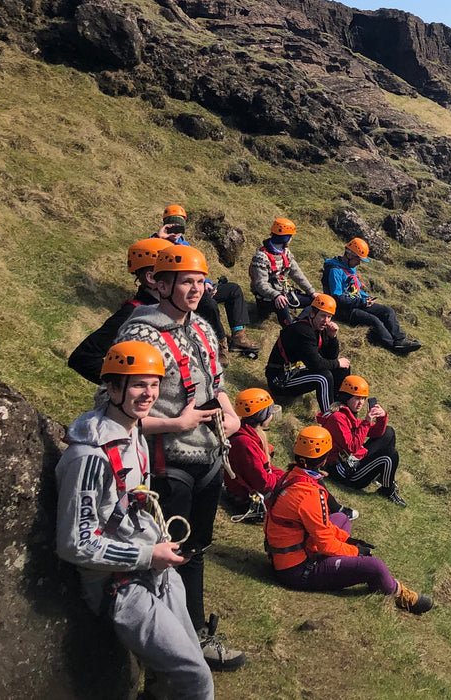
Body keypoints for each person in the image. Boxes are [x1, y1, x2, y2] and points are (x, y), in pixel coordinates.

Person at [55, 340, 214, 700]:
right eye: (138, 385)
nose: (149, 394)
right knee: (196, 678)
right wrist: (147, 557)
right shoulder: (90, 457)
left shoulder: (134, 436)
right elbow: (74, 543)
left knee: (190, 666)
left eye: (154, 384)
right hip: (119, 585)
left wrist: (159, 549)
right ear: (112, 388)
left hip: (150, 568)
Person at [116, 244, 247, 671]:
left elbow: (216, 381)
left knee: (195, 549)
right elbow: (114, 410)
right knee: (164, 556)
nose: (195, 290)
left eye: (199, 281)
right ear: (162, 283)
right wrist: (176, 423)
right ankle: (167, 647)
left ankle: (191, 635)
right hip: (164, 463)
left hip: (208, 456)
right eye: (186, 281)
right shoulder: (140, 336)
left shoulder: (204, 329)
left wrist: (229, 413)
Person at [263, 425, 432, 614]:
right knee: (374, 567)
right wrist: (355, 551)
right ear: (324, 458)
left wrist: (347, 540)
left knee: (341, 519)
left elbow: (323, 526)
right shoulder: (308, 494)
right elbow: (326, 543)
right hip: (297, 570)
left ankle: (343, 561)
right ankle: (400, 593)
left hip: (289, 554)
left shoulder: (291, 476)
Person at [157, 204, 256, 361]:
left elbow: (198, 269)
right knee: (209, 305)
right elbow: (149, 262)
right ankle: (220, 343)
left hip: (198, 287)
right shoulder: (156, 243)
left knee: (233, 290)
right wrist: (161, 239)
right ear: (164, 226)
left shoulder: (185, 245)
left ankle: (238, 335)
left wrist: (207, 283)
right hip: (180, 293)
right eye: (171, 227)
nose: (175, 232)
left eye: (180, 227)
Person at [68, 236, 169, 383]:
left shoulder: (177, 311)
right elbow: (83, 357)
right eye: (174, 274)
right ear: (151, 278)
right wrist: (125, 386)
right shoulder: (131, 314)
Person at [319, 375, 407, 507]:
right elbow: (352, 447)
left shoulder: (348, 415)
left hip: (353, 461)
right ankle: (387, 490)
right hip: (345, 471)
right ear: (346, 397)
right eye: (357, 398)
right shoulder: (338, 418)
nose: (361, 402)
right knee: (390, 455)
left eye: (363, 399)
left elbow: (377, 432)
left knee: (388, 432)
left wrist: (382, 417)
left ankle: (384, 479)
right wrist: (366, 421)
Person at [322, 238, 420, 354]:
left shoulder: (350, 268)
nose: (359, 262)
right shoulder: (335, 271)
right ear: (348, 254)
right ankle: (393, 346)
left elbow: (356, 290)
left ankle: (401, 340)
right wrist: (362, 302)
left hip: (357, 302)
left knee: (387, 311)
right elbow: (338, 299)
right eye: (358, 258)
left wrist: (366, 298)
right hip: (343, 309)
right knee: (373, 320)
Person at [264, 293, 350, 413]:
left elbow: (330, 357)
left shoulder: (320, 328)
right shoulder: (303, 331)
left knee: (343, 368)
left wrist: (332, 337)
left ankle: (341, 408)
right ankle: (329, 418)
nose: (326, 320)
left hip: (296, 371)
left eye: (329, 317)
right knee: (323, 377)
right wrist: (336, 363)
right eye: (323, 316)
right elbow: (317, 365)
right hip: (279, 378)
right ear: (312, 313)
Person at [221, 388, 285, 521]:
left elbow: (266, 470)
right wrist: (284, 481)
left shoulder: (250, 435)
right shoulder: (245, 443)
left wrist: (286, 477)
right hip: (247, 500)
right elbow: (262, 482)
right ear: (263, 414)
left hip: (255, 492)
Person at [249, 217, 316, 326]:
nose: (291, 239)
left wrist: (311, 292)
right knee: (283, 303)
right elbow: (260, 284)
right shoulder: (261, 257)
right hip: (266, 298)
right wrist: (276, 295)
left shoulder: (286, 253)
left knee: (315, 302)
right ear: (286, 238)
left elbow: (297, 274)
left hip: (284, 293)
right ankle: (289, 329)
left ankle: (297, 323)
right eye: (290, 237)